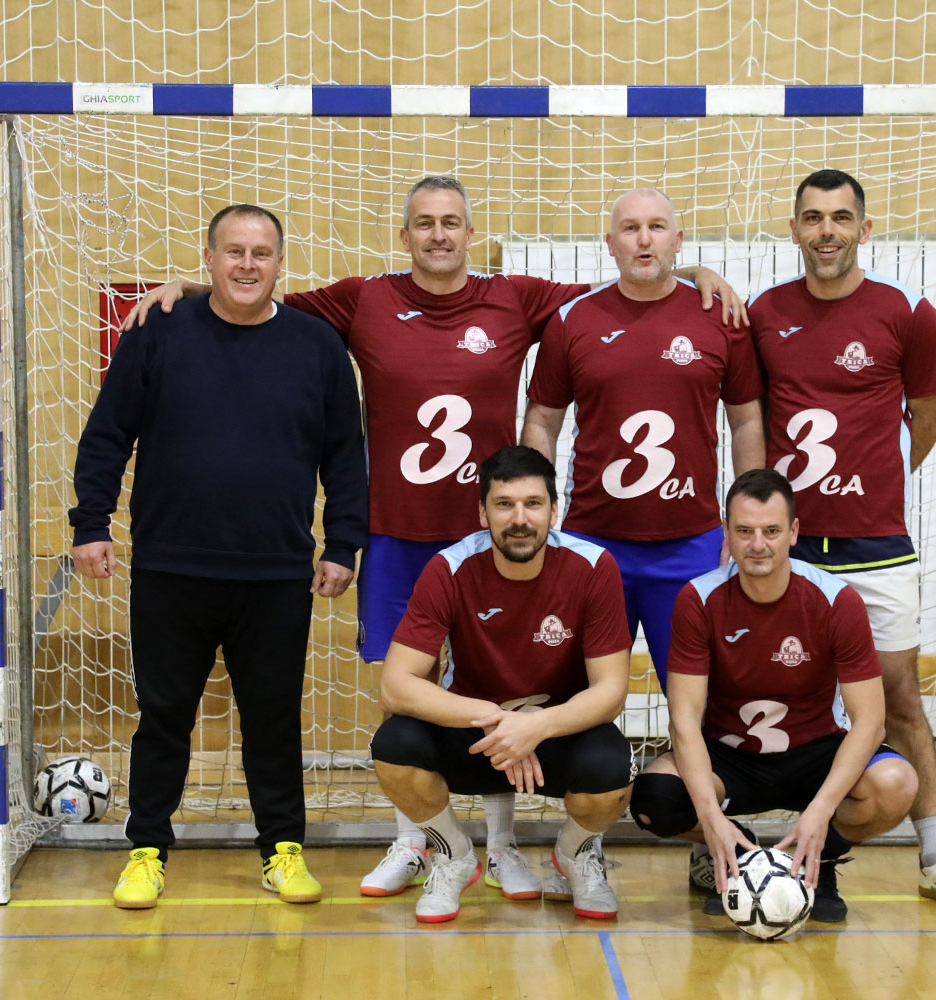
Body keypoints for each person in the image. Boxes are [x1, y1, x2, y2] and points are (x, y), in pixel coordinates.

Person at [125, 177, 742, 900]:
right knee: (403, 696)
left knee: (508, 685)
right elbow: (260, 296)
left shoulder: (516, 298)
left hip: (491, 535)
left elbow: (630, 284)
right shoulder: (364, 300)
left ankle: (502, 847)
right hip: (398, 533)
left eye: (452, 222)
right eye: (424, 223)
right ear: (405, 235)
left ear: (471, 235)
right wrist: (192, 287)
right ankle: (417, 841)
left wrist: (694, 271)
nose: (439, 234)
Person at [68, 205, 368, 909]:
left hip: (276, 574)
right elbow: (107, 435)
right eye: (234, 251)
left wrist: (342, 542)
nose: (247, 264)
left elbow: (345, 456)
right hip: (171, 569)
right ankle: (146, 850)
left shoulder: (318, 346)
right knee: (163, 716)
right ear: (208, 260)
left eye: (261, 253)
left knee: (273, 720)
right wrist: (91, 524)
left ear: (281, 264)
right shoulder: (156, 332)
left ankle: (282, 850)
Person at [748, 169, 936, 910]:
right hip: (788, 548)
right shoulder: (765, 313)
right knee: (781, 694)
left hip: (876, 545)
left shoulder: (905, 312)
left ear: (864, 227)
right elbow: (748, 414)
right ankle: (771, 854)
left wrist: (872, 482)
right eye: (812, 217)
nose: (826, 231)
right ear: (794, 229)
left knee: (898, 699)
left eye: (840, 217)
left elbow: (930, 416)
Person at [522, 186, 765, 892]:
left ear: (678, 240)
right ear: (610, 242)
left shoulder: (719, 317)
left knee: (708, 706)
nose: (644, 239)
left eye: (658, 227)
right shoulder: (575, 320)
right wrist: (539, 514)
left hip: (691, 546)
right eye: (630, 228)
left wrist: (742, 516)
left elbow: (747, 420)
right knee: (573, 698)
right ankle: (578, 846)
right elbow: (542, 420)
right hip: (594, 547)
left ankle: (709, 840)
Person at [629, 469, 918, 922]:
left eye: (771, 531)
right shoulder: (698, 598)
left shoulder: (836, 600)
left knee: (897, 785)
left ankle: (819, 858)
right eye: (744, 531)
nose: (758, 545)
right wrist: (712, 820)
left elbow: (870, 722)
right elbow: (684, 720)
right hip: (730, 756)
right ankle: (740, 856)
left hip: (815, 752)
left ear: (794, 532)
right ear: (726, 532)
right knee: (655, 799)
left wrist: (821, 811)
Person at [368, 446, 634, 923]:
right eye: (504, 504)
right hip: (476, 733)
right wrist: (500, 720)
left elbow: (611, 690)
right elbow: (396, 686)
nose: (519, 519)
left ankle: (574, 855)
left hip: (553, 733)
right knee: (393, 745)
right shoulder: (449, 567)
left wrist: (538, 726)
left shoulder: (594, 566)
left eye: (533, 504)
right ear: (482, 512)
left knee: (613, 772)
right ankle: (453, 857)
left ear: (555, 510)